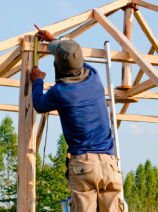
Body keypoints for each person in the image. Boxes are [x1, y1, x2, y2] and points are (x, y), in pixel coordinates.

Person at [30, 30, 125, 212]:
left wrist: (38, 81)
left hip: (84, 164)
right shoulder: (94, 76)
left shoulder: (61, 91)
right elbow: (73, 60)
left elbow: (38, 105)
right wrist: (54, 42)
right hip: (110, 164)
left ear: (58, 66)